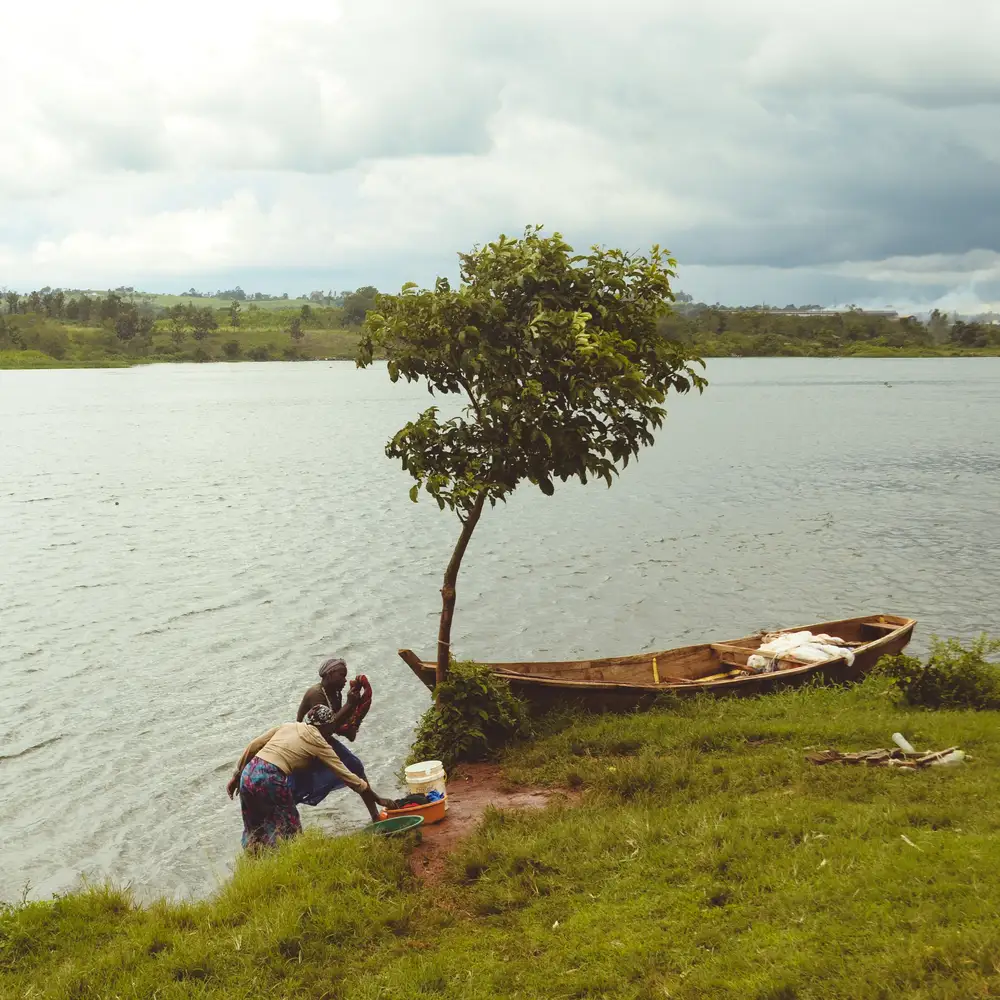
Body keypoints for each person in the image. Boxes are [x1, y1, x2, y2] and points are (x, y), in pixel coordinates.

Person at [227, 705, 391, 851]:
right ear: (326, 726)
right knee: (291, 827)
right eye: (331, 727)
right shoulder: (318, 741)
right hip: (270, 777)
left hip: (249, 773)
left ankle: (255, 863)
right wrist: (377, 798)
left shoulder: (288, 726)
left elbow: (254, 745)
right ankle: (296, 861)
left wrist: (236, 775)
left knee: (254, 826)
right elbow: (346, 774)